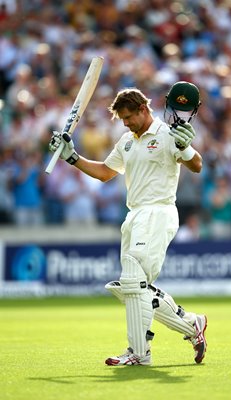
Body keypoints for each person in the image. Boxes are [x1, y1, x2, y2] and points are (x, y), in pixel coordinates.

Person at [49, 81, 207, 366]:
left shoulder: (168, 133)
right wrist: (71, 156)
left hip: (158, 212)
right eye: (122, 119)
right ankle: (191, 324)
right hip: (133, 215)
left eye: (129, 117)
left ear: (143, 109)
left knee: (134, 281)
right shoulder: (126, 141)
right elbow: (105, 173)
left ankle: (139, 353)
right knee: (133, 287)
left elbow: (196, 165)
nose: (126, 123)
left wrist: (185, 148)